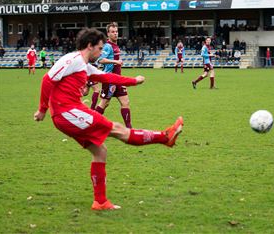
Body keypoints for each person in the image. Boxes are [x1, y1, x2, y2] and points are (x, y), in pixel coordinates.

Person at [33, 28, 184, 211]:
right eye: (100, 47)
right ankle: (165, 137)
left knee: (100, 151)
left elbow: (107, 76)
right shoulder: (71, 60)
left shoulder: (84, 65)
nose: (102, 52)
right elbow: (47, 79)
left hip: (70, 113)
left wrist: (134, 81)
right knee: (118, 130)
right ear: (90, 46)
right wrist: (42, 110)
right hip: (67, 112)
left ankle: (100, 202)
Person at [94, 22, 133, 128]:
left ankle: (129, 129)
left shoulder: (115, 45)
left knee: (125, 102)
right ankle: (91, 125)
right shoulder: (107, 46)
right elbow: (100, 60)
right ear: (108, 34)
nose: (115, 34)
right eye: (113, 32)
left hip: (118, 79)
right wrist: (115, 62)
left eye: (116, 31)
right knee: (104, 103)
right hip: (109, 79)